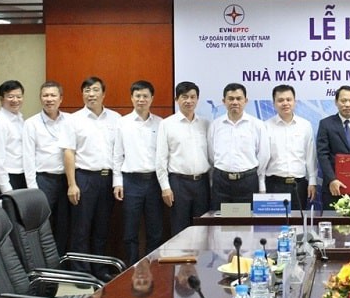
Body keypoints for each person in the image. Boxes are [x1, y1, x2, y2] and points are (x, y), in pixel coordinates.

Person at [62, 76, 121, 280]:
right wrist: (72, 184)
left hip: (107, 179)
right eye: (87, 90)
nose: (91, 94)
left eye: (95, 90)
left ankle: (99, 269)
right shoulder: (73, 119)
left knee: (102, 227)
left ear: (103, 94)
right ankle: (81, 273)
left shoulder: (115, 118)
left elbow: (119, 152)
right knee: (81, 227)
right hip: (84, 178)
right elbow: (68, 152)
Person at [113, 80, 163, 266]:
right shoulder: (122, 123)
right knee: (130, 230)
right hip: (131, 182)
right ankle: (131, 269)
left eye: (145, 96)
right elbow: (117, 155)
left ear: (152, 98)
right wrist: (117, 182)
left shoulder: (161, 123)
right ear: (131, 98)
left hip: (154, 181)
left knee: (155, 230)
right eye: (138, 96)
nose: (141, 99)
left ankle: (154, 268)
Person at [23, 81, 73, 255]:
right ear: (40, 98)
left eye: (53, 95)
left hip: (66, 180)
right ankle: (43, 263)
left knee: (64, 224)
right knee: (42, 225)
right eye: (45, 95)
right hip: (43, 180)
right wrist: (33, 188)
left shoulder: (70, 120)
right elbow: (28, 157)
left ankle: (60, 261)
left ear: (61, 99)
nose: (49, 99)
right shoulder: (31, 123)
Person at [156, 81, 210, 236]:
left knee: (203, 228)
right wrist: (165, 187)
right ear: (176, 99)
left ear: (197, 99)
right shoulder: (167, 124)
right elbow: (161, 159)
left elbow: (211, 157)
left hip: (202, 183)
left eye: (193, 97)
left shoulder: (205, 123)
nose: (189, 101)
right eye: (184, 97)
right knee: (179, 228)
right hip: (178, 184)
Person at [208, 83, 269, 210]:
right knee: (220, 219)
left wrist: (254, 177)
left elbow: (263, 155)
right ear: (224, 101)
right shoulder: (215, 125)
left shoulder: (257, 125)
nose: (235, 102)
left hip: (247, 181)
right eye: (231, 99)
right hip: (221, 182)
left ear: (245, 101)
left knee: (246, 219)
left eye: (238, 98)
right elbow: (211, 154)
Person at [264, 84, 317, 211]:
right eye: (280, 100)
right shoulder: (265, 126)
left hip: (299, 185)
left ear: (295, 102)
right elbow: (262, 158)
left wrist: (312, 181)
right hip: (274, 185)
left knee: (298, 221)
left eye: (289, 99)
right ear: (274, 103)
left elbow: (310, 156)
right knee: (274, 222)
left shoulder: (305, 125)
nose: (285, 103)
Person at [0, 79, 26, 194]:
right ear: (1, 99)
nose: (15, 100)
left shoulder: (20, 119)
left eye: (19, 97)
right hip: (8, 178)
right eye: (10, 97)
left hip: (21, 174)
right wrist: (6, 188)